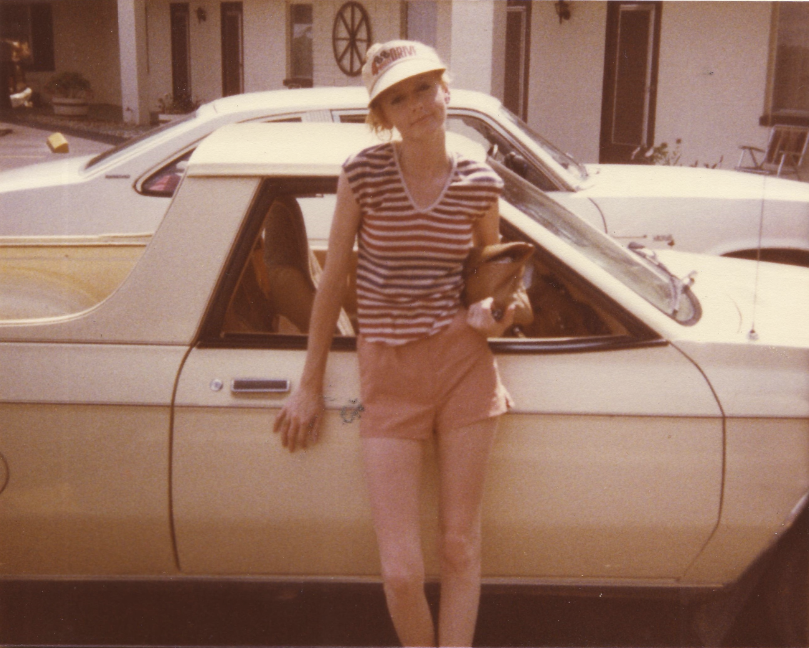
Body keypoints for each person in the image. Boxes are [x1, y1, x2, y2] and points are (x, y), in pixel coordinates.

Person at [273, 40, 515, 647]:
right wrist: (308, 384)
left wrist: (499, 312)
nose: (417, 105)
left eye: (423, 88)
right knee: (402, 572)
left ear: (445, 89)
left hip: (462, 367)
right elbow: (333, 280)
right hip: (388, 373)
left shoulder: (479, 182)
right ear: (382, 115)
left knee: (459, 547)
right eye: (398, 99)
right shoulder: (363, 174)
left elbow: (492, 281)